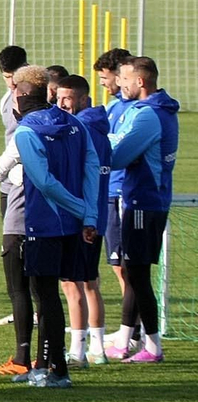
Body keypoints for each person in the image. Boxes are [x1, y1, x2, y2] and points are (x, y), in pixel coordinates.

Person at [11, 66, 98, 388]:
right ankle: (42, 366)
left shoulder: (26, 132)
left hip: (44, 224)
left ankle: (59, 371)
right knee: (49, 295)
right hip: (72, 226)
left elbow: (45, 184)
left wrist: (81, 209)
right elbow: (91, 170)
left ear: (20, 95)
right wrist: (88, 217)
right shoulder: (75, 123)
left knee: (45, 296)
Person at [106, 56, 180, 364]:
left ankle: (152, 345)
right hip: (150, 202)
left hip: (142, 203)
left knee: (136, 273)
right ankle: (126, 339)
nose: (119, 84)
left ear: (140, 81)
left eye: (123, 78)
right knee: (134, 271)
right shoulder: (161, 111)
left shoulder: (148, 116)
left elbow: (120, 156)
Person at [56, 74, 112, 366]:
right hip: (98, 216)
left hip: (80, 219)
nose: (61, 104)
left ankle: (77, 352)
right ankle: (98, 349)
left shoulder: (79, 131)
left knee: (72, 284)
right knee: (90, 283)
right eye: (59, 97)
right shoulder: (100, 129)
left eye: (68, 98)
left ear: (83, 100)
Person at [0, 100, 37, 378]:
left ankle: (22, 358)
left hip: (19, 222)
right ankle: (47, 358)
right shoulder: (68, 129)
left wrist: (18, 171)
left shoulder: (25, 134)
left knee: (19, 290)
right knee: (46, 292)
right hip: (52, 224)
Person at [94, 47, 135, 323]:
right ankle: (131, 328)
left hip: (121, 192)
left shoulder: (135, 109)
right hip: (109, 190)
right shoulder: (113, 107)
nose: (104, 84)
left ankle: (131, 329)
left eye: (105, 78)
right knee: (117, 265)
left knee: (124, 268)